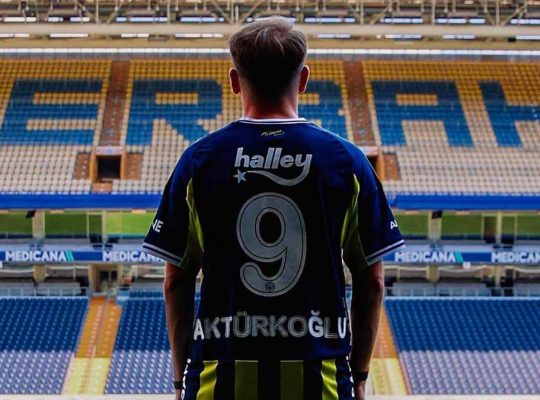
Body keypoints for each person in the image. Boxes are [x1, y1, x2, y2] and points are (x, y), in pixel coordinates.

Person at [142, 16, 404, 400]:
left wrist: (181, 380)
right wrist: (359, 375)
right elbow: (373, 281)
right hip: (322, 381)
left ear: (234, 81)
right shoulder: (347, 162)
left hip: (218, 381)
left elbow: (175, 282)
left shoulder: (197, 162)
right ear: (303, 79)